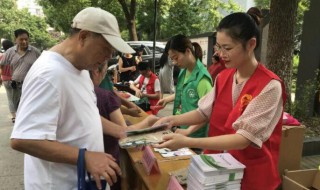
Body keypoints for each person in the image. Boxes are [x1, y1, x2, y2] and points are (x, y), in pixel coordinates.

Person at [154, 12, 286, 190]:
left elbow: (243, 139)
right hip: (218, 172)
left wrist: (188, 141)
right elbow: (203, 112)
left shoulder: (270, 86)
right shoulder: (223, 77)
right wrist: (170, 120)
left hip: (253, 178)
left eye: (228, 48)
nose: (220, 54)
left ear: (251, 44)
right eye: (218, 47)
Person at [10, 7, 136, 189]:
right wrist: (84, 157)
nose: (109, 56)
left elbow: (85, 114)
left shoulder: (81, 69)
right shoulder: (49, 75)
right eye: (105, 49)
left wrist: (120, 131)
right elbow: (23, 139)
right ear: (83, 37)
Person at [89, 61, 158, 190]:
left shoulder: (80, 95)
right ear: (96, 72)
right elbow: (125, 134)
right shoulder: (103, 96)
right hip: (108, 163)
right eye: (105, 71)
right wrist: (148, 122)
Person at [156, 34, 212, 145]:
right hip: (182, 130)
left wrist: (188, 131)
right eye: (172, 59)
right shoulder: (184, 71)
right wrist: (168, 99)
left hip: (195, 137)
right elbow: (182, 92)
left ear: (187, 51)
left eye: (176, 58)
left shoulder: (202, 80)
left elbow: (208, 113)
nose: (175, 62)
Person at [0, 29, 41, 122]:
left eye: (26, 39)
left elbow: (44, 65)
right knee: (17, 107)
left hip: (32, 86)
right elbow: (1, 64)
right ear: (16, 39)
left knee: (31, 108)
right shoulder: (10, 52)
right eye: (21, 39)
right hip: (16, 86)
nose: (24, 41)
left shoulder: (35, 52)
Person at [0, 39, 15, 123]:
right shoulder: (15, 55)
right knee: (18, 98)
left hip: (5, 80)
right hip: (15, 79)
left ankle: (14, 117)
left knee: (10, 99)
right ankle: (19, 114)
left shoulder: (2, 56)